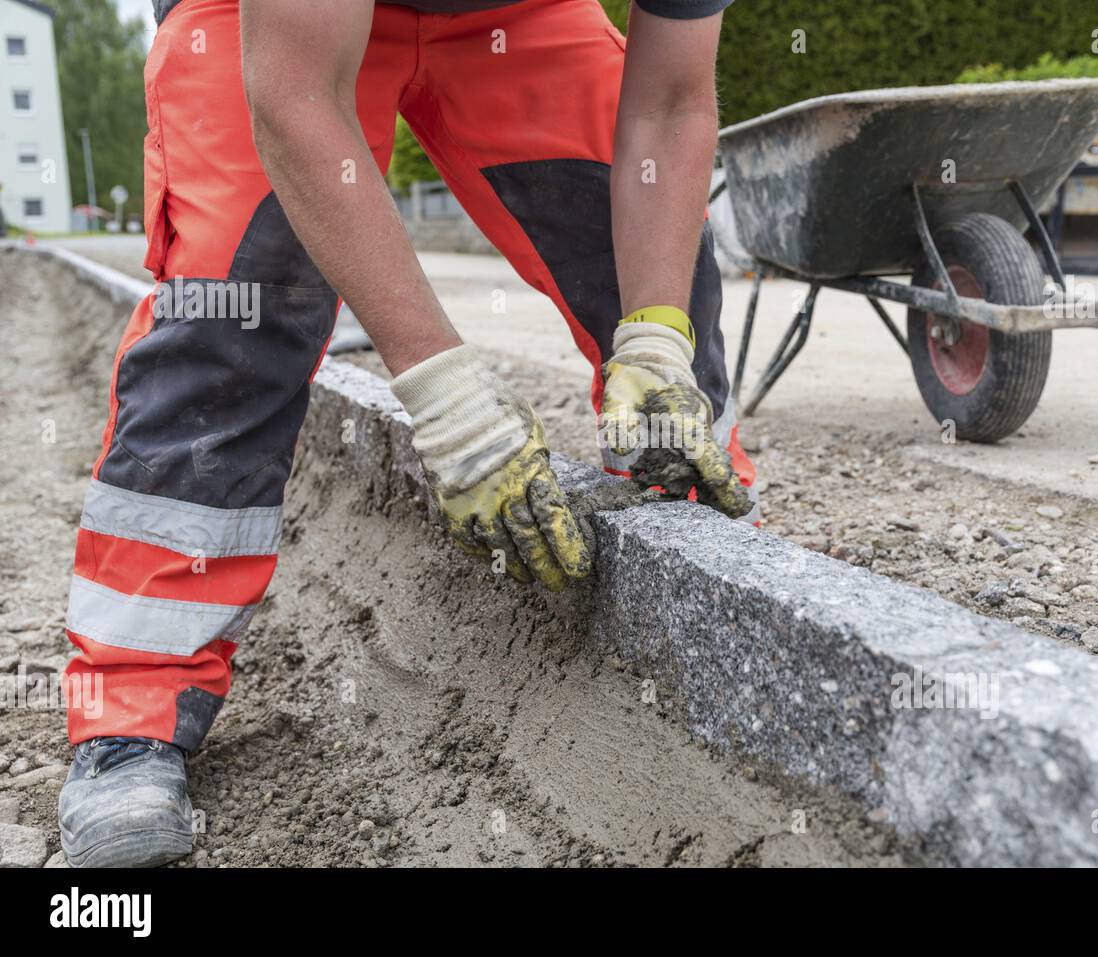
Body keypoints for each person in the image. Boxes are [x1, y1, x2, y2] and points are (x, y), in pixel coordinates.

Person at [57, 0, 756, 868]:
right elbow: (296, 96)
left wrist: (654, 337)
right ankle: (132, 714)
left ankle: (697, 574)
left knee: (663, 276)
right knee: (235, 305)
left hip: (515, 13)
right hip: (268, 28)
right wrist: (444, 392)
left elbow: (671, 102)